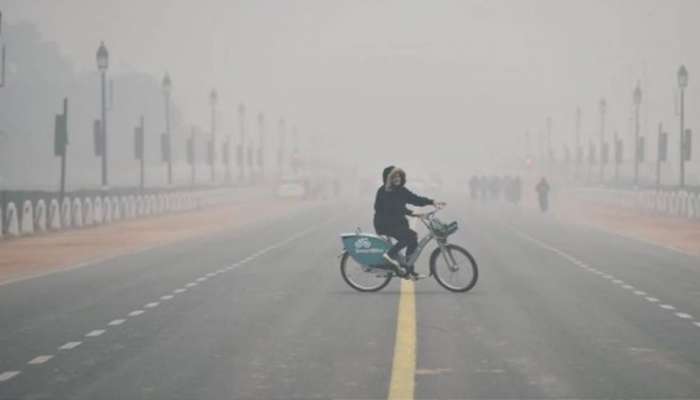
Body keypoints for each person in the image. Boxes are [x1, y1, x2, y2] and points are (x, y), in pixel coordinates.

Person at [374, 166, 444, 279]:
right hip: (384, 223)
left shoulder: (402, 190)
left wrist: (432, 202)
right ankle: (389, 255)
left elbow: (416, 199)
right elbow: (391, 208)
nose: (397, 179)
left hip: (397, 223)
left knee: (413, 239)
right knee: (409, 236)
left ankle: (408, 270)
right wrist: (411, 212)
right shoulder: (384, 191)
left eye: (398, 176)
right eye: (394, 177)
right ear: (388, 179)